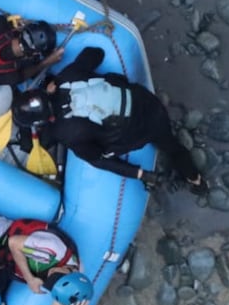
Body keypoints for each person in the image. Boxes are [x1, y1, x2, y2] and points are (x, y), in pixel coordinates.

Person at [11, 46, 209, 194]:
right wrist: (61, 78)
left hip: (143, 130)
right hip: (148, 102)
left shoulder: (64, 133)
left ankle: (191, 180)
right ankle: (196, 179)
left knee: (96, 153)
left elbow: (100, 160)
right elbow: (96, 53)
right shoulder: (67, 77)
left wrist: (140, 174)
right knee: (172, 146)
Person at [0, 217, 93, 305]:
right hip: (0, 236)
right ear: (69, 270)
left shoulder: (67, 285)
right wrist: (30, 279)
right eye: (56, 275)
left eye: (52, 280)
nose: (51, 275)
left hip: (3, 260)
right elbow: (13, 242)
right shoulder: (54, 251)